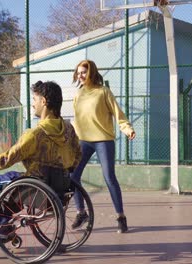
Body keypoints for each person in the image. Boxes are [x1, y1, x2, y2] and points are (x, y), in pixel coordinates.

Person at [0, 80, 81, 239]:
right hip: (61, 190)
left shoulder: (35, 135)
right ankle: (5, 224)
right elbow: (78, 156)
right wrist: (67, 170)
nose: (33, 104)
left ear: (44, 101)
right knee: (18, 184)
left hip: (38, 192)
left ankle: (0, 226)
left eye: (34, 99)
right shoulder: (69, 129)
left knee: (0, 181)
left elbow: (4, 160)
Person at [70, 59, 136, 234]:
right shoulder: (78, 94)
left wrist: (127, 129)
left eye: (83, 72)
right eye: (78, 72)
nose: (80, 75)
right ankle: (81, 212)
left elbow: (118, 114)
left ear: (91, 72)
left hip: (103, 141)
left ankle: (121, 217)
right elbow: (77, 120)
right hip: (83, 141)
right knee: (72, 177)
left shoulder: (103, 92)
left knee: (109, 177)